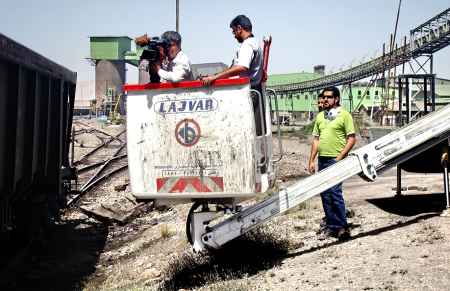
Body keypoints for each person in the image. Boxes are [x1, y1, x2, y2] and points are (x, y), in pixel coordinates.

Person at [201, 15, 265, 135]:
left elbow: (241, 67)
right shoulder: (255, 43)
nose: (234, 35)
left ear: (240, 28)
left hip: (247, 93)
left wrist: (214, 78)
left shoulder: (247, 45)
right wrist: (215, 75)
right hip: (253, 91)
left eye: (234, 31)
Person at [308, 86, 356, 240]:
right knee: (325, 194)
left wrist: (340, 156)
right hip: (322, 160)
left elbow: (352, 138)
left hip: (336, 160)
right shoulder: (321, 116)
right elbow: (316, 140)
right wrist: (311, 160)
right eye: (324, 97)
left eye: (329, 97)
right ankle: (331, 226)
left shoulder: (344, 115)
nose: (325, 99)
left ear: (336, 99)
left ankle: (342, 228)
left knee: (335, 193)